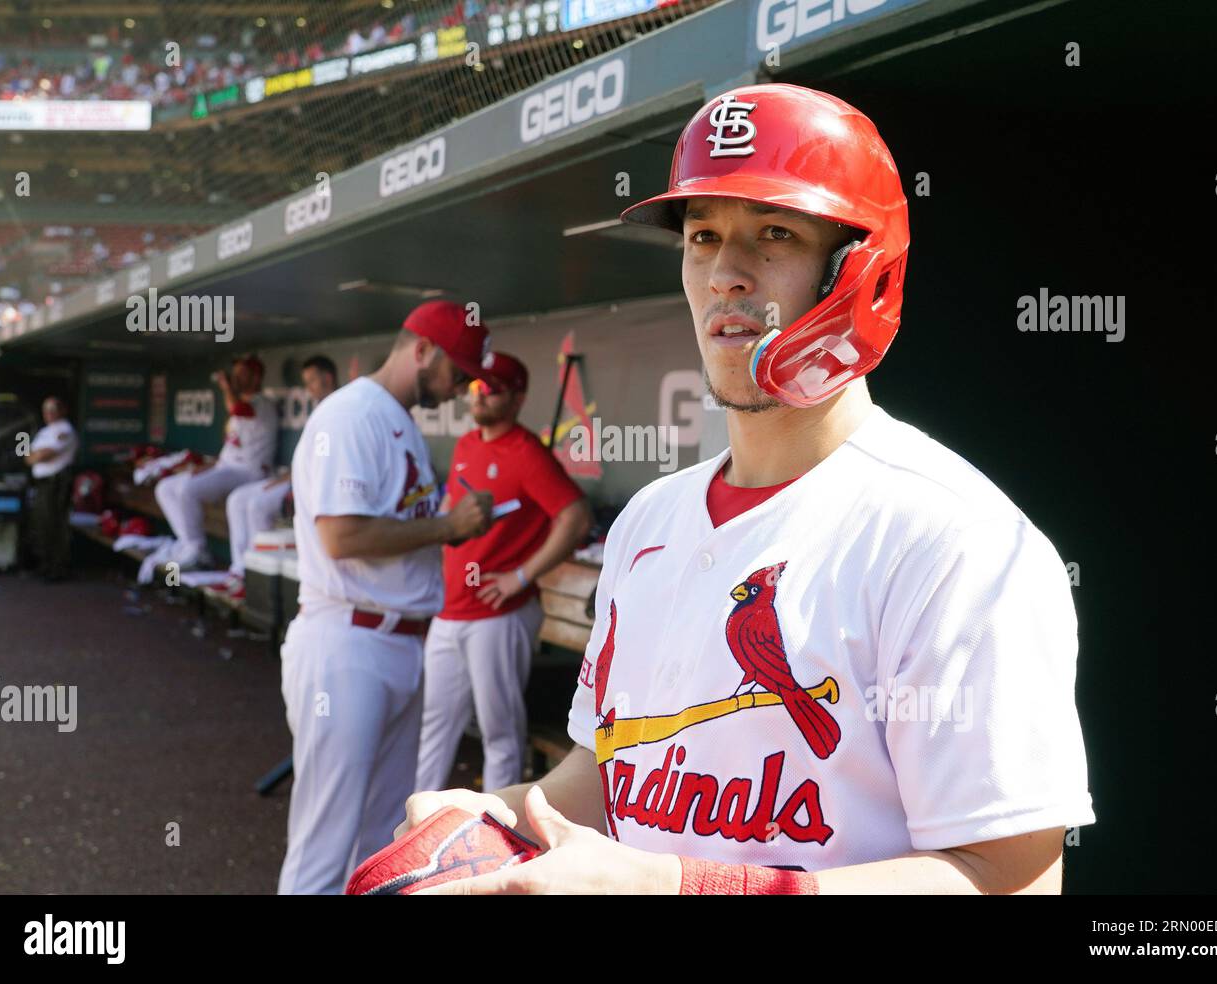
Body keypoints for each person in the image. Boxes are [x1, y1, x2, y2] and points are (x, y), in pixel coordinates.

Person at [394, 84, 1096, 895]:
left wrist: (680, 886)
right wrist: (487, 821)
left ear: (859, 273)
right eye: (702, 236)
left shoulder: (954, 540)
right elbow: (598, 781)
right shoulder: (648, 523)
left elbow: (1011, 881)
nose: (726, 272)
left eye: (773, 233)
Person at [278, 301, 498, 894]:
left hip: (397, 641)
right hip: (347, 642)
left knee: (379, 839)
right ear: (421, 350)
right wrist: (450, 527)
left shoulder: (394, 418)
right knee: (324, 841)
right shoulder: (352, 415)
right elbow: (341, 534)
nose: (460, 388)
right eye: (458, 371)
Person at [416, 353, 592, 794]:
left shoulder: (527, 451)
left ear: (517, 398)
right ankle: (417, 832)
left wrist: (520, 576)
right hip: (451, 609)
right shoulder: (466, 443)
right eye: (475, 386)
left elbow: (575, 517)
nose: (480, 395)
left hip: (498, 614)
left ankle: (498, 839)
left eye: (492, 388)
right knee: (435, 728)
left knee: (499, 732)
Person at [220, 355, 338, 598]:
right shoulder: (322, 408)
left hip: (312, 483)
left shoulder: (338, 407)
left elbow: (326, 461)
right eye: (306, 382)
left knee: (256, 506)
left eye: (313, 381)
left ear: (328, 378)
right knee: (237, 500)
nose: (309, 388)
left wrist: (293, 480)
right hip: (293, 475)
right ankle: (240, 569)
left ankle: (257, 573)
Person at [154, 354, 276, 568]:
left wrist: (225, 386)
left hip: (248, 471)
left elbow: (236, 409)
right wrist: (210, 466)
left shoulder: (262, 404)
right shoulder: (243, 404)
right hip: (227, 467)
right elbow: (231, 445)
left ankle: (196, 547)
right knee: (165, 487)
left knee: (187, 490)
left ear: (256, 378)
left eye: (242, 374)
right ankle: (188, 543)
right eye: (235, 374)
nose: (236, 379)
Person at [24, 396, 77, 582]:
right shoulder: (46, 431)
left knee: (55, 525)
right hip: (42, 484)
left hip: (57, 484)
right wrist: (35, 455)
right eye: (46, 410)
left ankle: (58, 569)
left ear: (62, 411)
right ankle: (44, 566)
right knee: (41, 525)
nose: (49, 414)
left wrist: (36, 455)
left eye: (53, 410)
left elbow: (43, 455)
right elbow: (28, 456)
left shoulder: (65, 429)